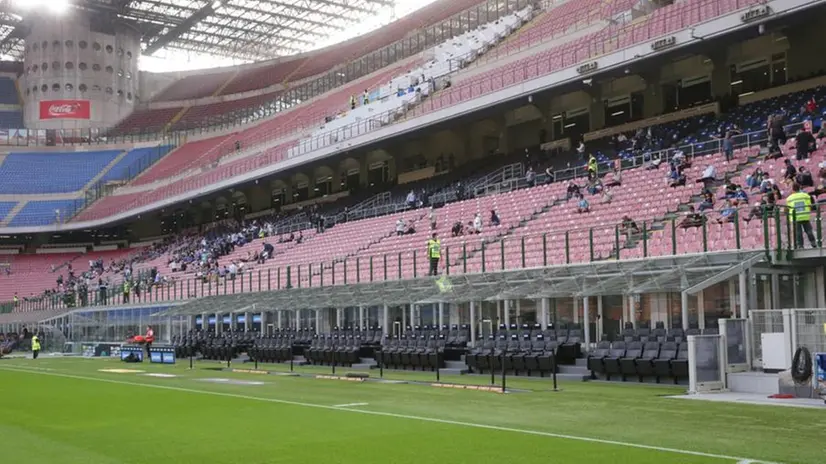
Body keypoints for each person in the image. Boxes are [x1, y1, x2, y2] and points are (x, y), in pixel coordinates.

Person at [786, 183, 817, 248]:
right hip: (805, 215)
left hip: (796, 217)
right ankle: (813, 243)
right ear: (799, 188)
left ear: (792, 189)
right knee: (809, 231)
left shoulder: (789, 198)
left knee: (798, 233)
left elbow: (788, 208)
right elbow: (809, 205)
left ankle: (801, 246)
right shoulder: (806, 195)